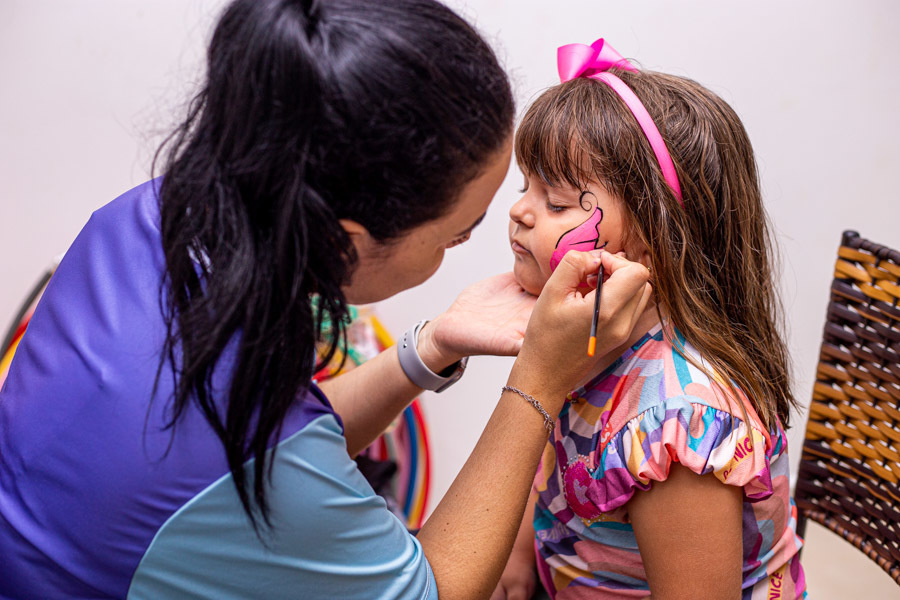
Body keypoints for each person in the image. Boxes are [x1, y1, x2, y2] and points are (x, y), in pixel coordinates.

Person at [0, 5, 653, 600]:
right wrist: (536, 383)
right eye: (458, 232)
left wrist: (430, 348)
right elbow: (428, 589)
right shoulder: (254, 466)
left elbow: (261, 445)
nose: (512, 220)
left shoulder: (148, 218)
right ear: (347, 242)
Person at [491, 39, 806, 600]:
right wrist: (518, 550)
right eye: (526, 187)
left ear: (651, 242)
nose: (519, 209)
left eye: (556, 202)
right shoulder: (583, 334)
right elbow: (544, 446)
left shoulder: (675, 424)